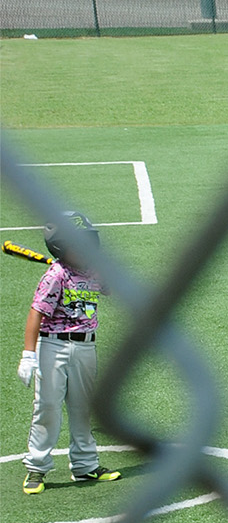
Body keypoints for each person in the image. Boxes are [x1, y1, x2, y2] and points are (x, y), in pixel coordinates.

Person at [18, 212, 120, 496]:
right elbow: (36, 313)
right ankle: (37, 467)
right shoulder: (56, 274)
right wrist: (29, 354)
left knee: (83, 407)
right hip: (53, 346)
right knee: (48, 407)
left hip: (87, 346)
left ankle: (85, 465)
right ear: (61, 248)